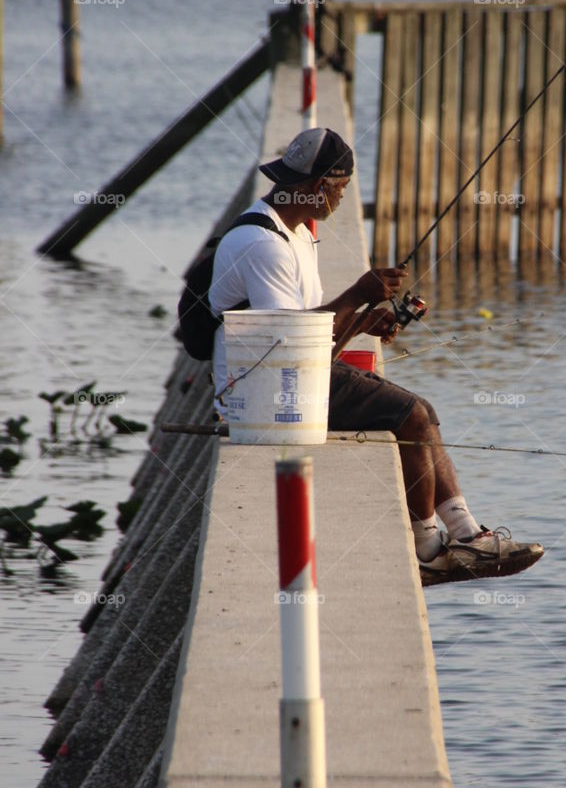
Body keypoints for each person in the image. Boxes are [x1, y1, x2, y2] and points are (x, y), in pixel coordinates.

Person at [209, 127, 543, 575]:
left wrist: (362, 320)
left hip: (282, 374)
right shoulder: (263, 244)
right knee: (410, 415)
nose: (342, 198)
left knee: (422, 409)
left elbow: (314, 343)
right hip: (263, 394)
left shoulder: (297, 232)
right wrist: (357, 294)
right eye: (341, 188)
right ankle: (429, 551)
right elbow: (289, 343)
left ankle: (467, 535)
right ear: (318, 187)